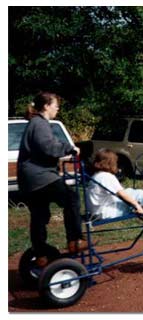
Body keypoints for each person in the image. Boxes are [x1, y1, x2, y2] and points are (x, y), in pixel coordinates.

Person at [17, 92, 87, 267]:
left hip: (29, 179)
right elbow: (48, 147)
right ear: (47, 106)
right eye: (55, 105)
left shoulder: (36, 123)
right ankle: (75, 240)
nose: (57, 109)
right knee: (71, 198)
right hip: (40, 177)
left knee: (40, 215)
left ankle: (41, 254)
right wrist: (70, 148)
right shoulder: (40, 124)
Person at [87, 149, 143, 222]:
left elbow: (121, 192)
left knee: (131, 192)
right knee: (139, 194)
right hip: (107, 212)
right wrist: (137, 206)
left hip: (97, 211)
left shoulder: (97, 175)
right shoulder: (107, 177)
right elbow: (122, 194)